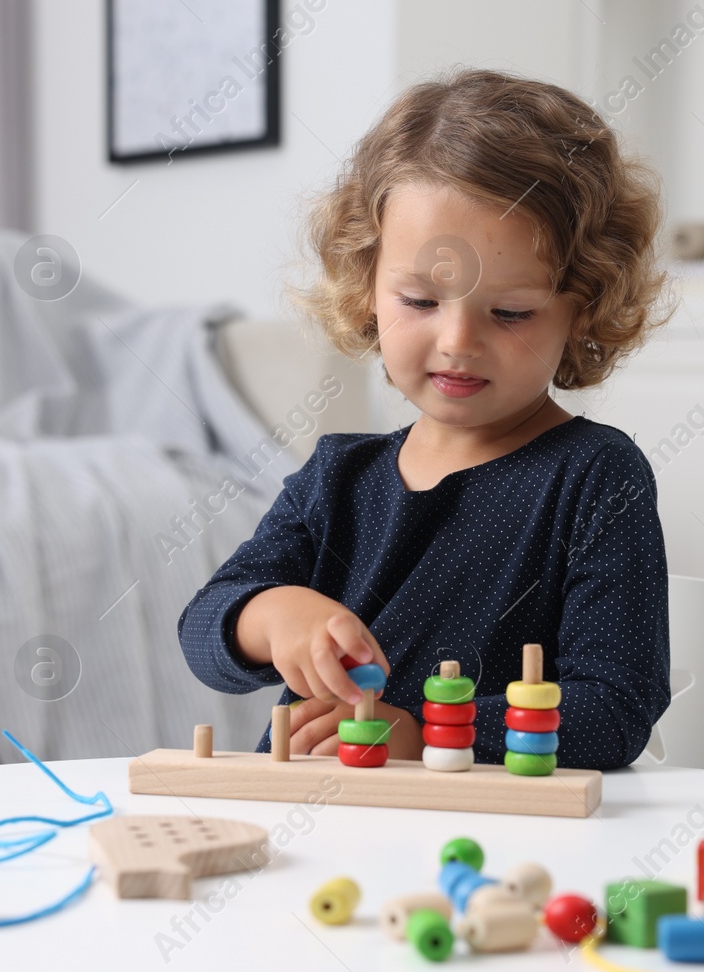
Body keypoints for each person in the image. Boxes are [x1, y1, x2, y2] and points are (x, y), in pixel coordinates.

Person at [177, 68, 673, 770]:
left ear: (581, 306)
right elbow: (204, 629)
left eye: (510, 312)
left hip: (487, 842)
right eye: (418, 299)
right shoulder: (337, 477)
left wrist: (434, 735)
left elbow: (614, 709)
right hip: (314, 829)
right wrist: (276, 614)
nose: (457, 341)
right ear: (367, 286)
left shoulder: (595, 476)